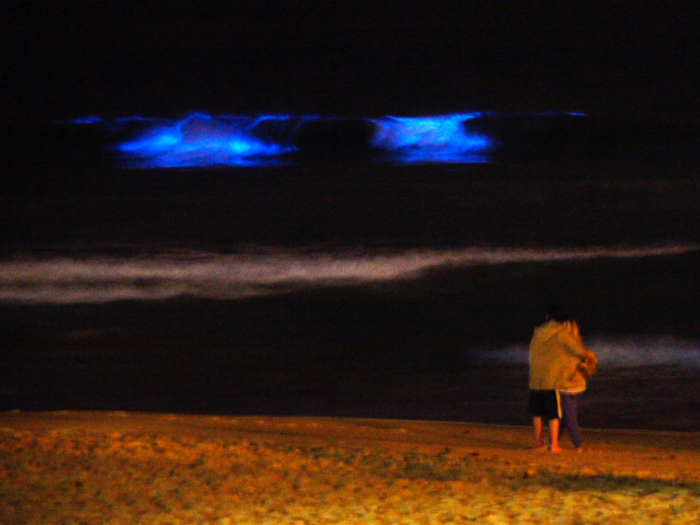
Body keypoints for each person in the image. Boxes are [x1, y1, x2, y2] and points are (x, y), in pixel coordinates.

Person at [528, 305, 589, 453]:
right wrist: (587, 357)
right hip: (551, 379)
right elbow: (577, 351)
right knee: (554, 414)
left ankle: (539, 443)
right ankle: (555, 444)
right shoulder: (561, 333)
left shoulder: (538, 332)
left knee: (537, 413)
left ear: (548, 317)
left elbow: (532, 354)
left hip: (535, 378)